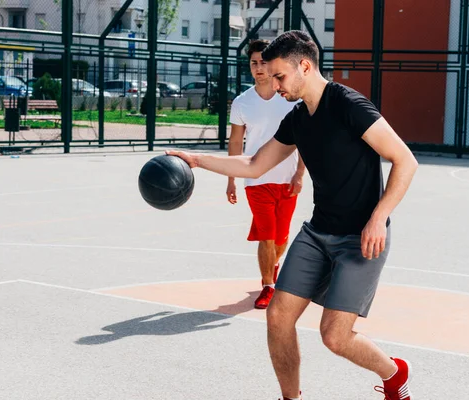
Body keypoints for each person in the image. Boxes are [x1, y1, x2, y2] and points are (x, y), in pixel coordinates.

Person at [168, 30, 418, 400]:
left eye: (280, 76)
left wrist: (379, 217)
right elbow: (254, 164)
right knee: (278, 317)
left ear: (305, 65)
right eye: (270, 76)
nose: (274, 85)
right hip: (318, 232)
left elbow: (405, 160)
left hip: (361, 236)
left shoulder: (349, 105)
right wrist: (198, 160)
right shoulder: (298, 118)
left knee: (334, 336)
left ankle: (395, 374)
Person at [227, 39, 305, 310]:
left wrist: (300, 173)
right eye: (254, 63)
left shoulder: (289, 98)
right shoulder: (242, 102)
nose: (259, 68)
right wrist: (231, 179)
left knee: (282, 236)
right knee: (267, 235)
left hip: (286, 179)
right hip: (256, 179)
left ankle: (273, 265)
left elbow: (303, 139)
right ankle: (268, 285)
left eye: (263, 62)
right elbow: (236, 143)